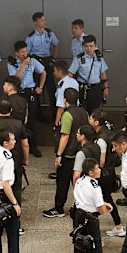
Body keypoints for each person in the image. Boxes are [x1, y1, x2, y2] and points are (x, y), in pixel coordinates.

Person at [69, 158, 117, 253]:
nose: (100, 170)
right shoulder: (95, 186)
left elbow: (85, 201)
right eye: (97, 168)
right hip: (91, 221)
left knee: (78, 250)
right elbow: (101, 210)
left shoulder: (80, 180)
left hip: (78, 217)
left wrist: (102, 204)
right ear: (91, 172)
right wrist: (104, 206)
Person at [0, 130, 33, 253]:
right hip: (6, 196)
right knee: (13, 233)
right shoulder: (8, 159)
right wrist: (15, 203)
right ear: (5, 143)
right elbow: (6, 183)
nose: (15, 142)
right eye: (12, 140)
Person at [43, 89, 88, 218]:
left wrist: (59, 154)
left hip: (69, 154)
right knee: (78, 182)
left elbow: (65, 136)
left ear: (64, 100)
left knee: (62, 182)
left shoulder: (67, 115)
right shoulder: (84, 112)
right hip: (81, 152)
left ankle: (59, 208)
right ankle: (80, 206)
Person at [0, 100, 29, 225]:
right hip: (15, 160)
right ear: (11, 110)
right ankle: (16, 221)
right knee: (16, 189)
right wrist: (25, 159)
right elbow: (25, 144)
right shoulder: (18, 124)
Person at [89, 108, 125, 236]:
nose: (90, 120)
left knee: (104, 199)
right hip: (109, 172)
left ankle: (118, 225)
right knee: (106, 198)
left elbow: (102, 161)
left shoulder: (101, 139)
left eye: (91, 118)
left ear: (97, 122)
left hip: (104, 174)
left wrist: (94, 170)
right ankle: (117, 225)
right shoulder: (108, 133)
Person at [8, 40, 46, 157]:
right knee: (18, 120)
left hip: (30, 93)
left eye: (26, 51)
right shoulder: (12, 63)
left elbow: (43, 72)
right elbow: (15, 79)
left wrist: (40, 86)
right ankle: (18, 146)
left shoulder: (33, 61)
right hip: (18, 93)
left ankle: (33, 146)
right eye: (22, 52)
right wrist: (23, 65)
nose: (25, 54)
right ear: (17, 53)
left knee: (31, 120)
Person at [25, 12, 59, 121]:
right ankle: (38, 115)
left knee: (51, 88)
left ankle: (55, 115)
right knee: (36, 89)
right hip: (36, 62)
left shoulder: (49, 33)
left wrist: (53, 57)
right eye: (41, 20)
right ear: (35, 22)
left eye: (44, 19)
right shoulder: (30, 37)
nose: (44, 22)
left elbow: (56, 43)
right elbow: (27, 53)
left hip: (47, 61)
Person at [69, 35, 109, 114]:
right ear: (83, 46)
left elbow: (103, 73)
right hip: (83, 89)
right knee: (83, 111)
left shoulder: (99, 58)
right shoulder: (79, 58)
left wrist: (106, 88)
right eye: (86, 46)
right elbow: (70, 74)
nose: (89, 49)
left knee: (96, 111)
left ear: (95, 46)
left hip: (96, 88)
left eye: (91, 46)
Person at [53, 60, 79, 127]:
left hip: (66, 114)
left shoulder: (62, 87)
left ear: (60, 72)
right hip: (76, 112)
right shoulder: (74, 81)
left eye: (55, 71)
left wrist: (56, 124)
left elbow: (61, 108)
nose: (54, 73)